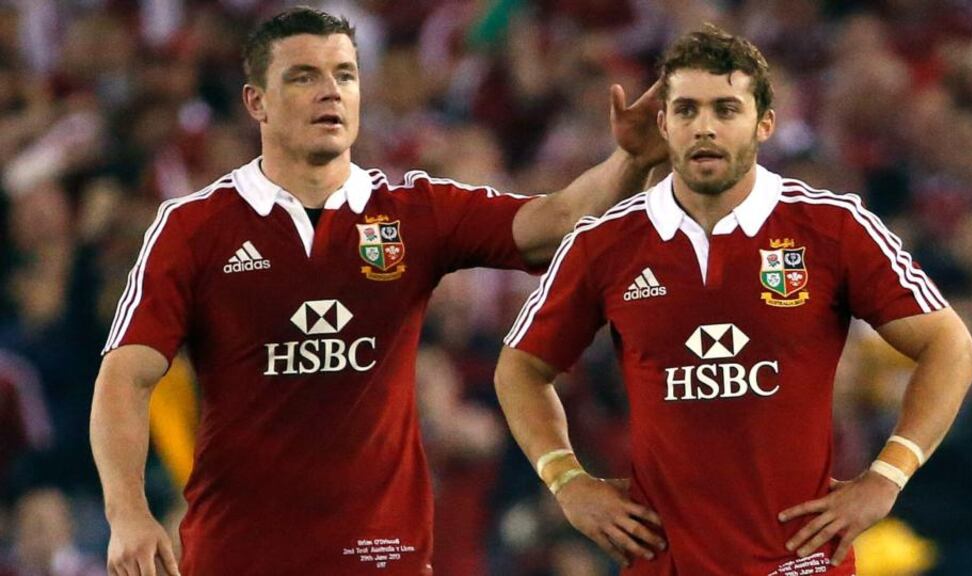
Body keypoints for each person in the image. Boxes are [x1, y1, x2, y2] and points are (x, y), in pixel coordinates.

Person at [89, 7, 666, 576]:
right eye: (303, 76)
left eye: (344, 75)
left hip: (382, 559)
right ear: (255, 103)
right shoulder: (194, 227)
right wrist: (129, 513)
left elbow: (554, 220)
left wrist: (630, 160)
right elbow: (125, 375)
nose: (330, 92)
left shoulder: (412, 213)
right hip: (239, 557)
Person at [494, 24, 972, 575]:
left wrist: (888, 475)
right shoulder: (604, 243)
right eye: (686, 110)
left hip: (799, 562)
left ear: (764, 123)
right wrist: (568, 480)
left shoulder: (832, 227)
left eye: (726, 109)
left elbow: (950, 346)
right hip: (665, 561)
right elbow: (520, 368)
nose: (705, 127)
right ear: (663, 123)